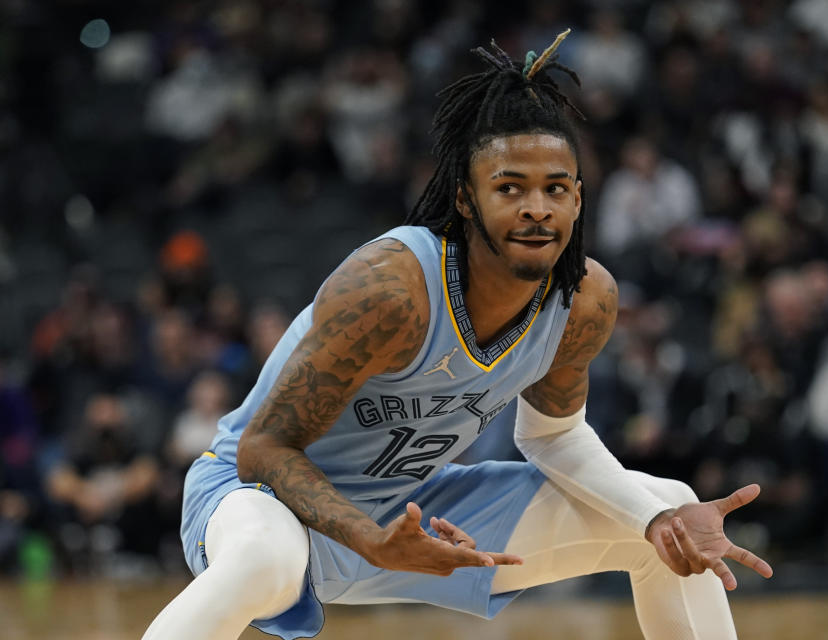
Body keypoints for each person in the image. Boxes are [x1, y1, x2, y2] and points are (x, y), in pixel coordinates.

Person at [143, 32, 772, 640]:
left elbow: (553, 438)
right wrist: (367, 538)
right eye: (510, 188)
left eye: (555, 189)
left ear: (578, 200)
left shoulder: (584, 300)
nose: (536, 208)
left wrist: (652, 519)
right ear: (466, 200)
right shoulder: (391, 289)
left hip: (413, 508)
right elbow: (264, 449)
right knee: (260, 563)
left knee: (671, 513)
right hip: (264, 499)